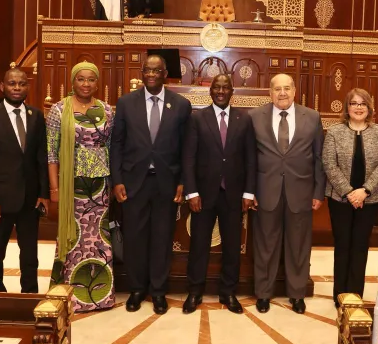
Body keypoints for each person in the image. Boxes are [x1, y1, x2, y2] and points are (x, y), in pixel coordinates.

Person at [111, 53, 192, 314]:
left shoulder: (181, 105)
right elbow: (117, 144)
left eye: (157, 71)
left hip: (166, 184)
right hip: (134, 182)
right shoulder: (125, 103)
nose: (152, 75)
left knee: (161, 238)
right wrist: (117, 180)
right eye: (147, 70)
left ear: (165, 73)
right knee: (135, 238)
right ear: (141, 72)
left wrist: (182, 182)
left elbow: (185, 149)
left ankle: (158, 291)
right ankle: (137, 289)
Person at [249, 74, 325, 315]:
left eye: (286, 88)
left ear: (295, 91)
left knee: (298, 246)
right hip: (265, 191)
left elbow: (319, 158)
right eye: (277, 89)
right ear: (269, 93)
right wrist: (250, 191)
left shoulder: (311, 117)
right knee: (265, 245)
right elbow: (249, 159)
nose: (282, 93)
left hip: (301, 192)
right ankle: (263, 294)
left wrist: (318, 192)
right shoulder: (254, 117)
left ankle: (297, 294)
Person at [182, 74, 256, 314]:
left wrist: (248, 192)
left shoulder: (244, 119)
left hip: (234, 195)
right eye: (217, 87)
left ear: (232, 91)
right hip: (202, 195)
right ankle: (195, 292)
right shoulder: (197, 118)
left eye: (225, 87)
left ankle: (229, 292)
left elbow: (250, 159)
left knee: (232, 246)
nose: (221, 91)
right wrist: (191, 191)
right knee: (199, 245)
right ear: (210, 91)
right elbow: (189, 157)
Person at [47, 62, 115, 312]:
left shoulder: (107, 110)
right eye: (80, 79)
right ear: (73, 82)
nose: (85, 84)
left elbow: (112, 148)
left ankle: (100, 295)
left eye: (90, 80)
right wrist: (54, 189)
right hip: (71, 185)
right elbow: (51, 153)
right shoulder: (58, 110)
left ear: (98, 84)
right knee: (74, 236)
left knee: (98, 237)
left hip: (100, 187)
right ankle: (71, 294)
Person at [0, 68, 49, 293]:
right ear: (2, 86)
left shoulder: (36, 116)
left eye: (21, 84)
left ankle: (30, 294)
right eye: (12, 84)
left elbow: (41, 158)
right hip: (0, 201)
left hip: (29, 200)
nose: (17, 88)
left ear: (28, 86)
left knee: (30, 255)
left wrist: (44, 193)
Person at [323, 88, 378, 307]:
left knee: (360, 246)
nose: (359, 107)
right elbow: (329, 164)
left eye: (363, 103)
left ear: (369, 107)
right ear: (347, 107)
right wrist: (348, 191)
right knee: (342, 245)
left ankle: (355, 295)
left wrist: (365, 190)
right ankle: (339, 294)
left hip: (369, 200)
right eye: (354, 103)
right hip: (339, 199)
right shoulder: (334, 132)